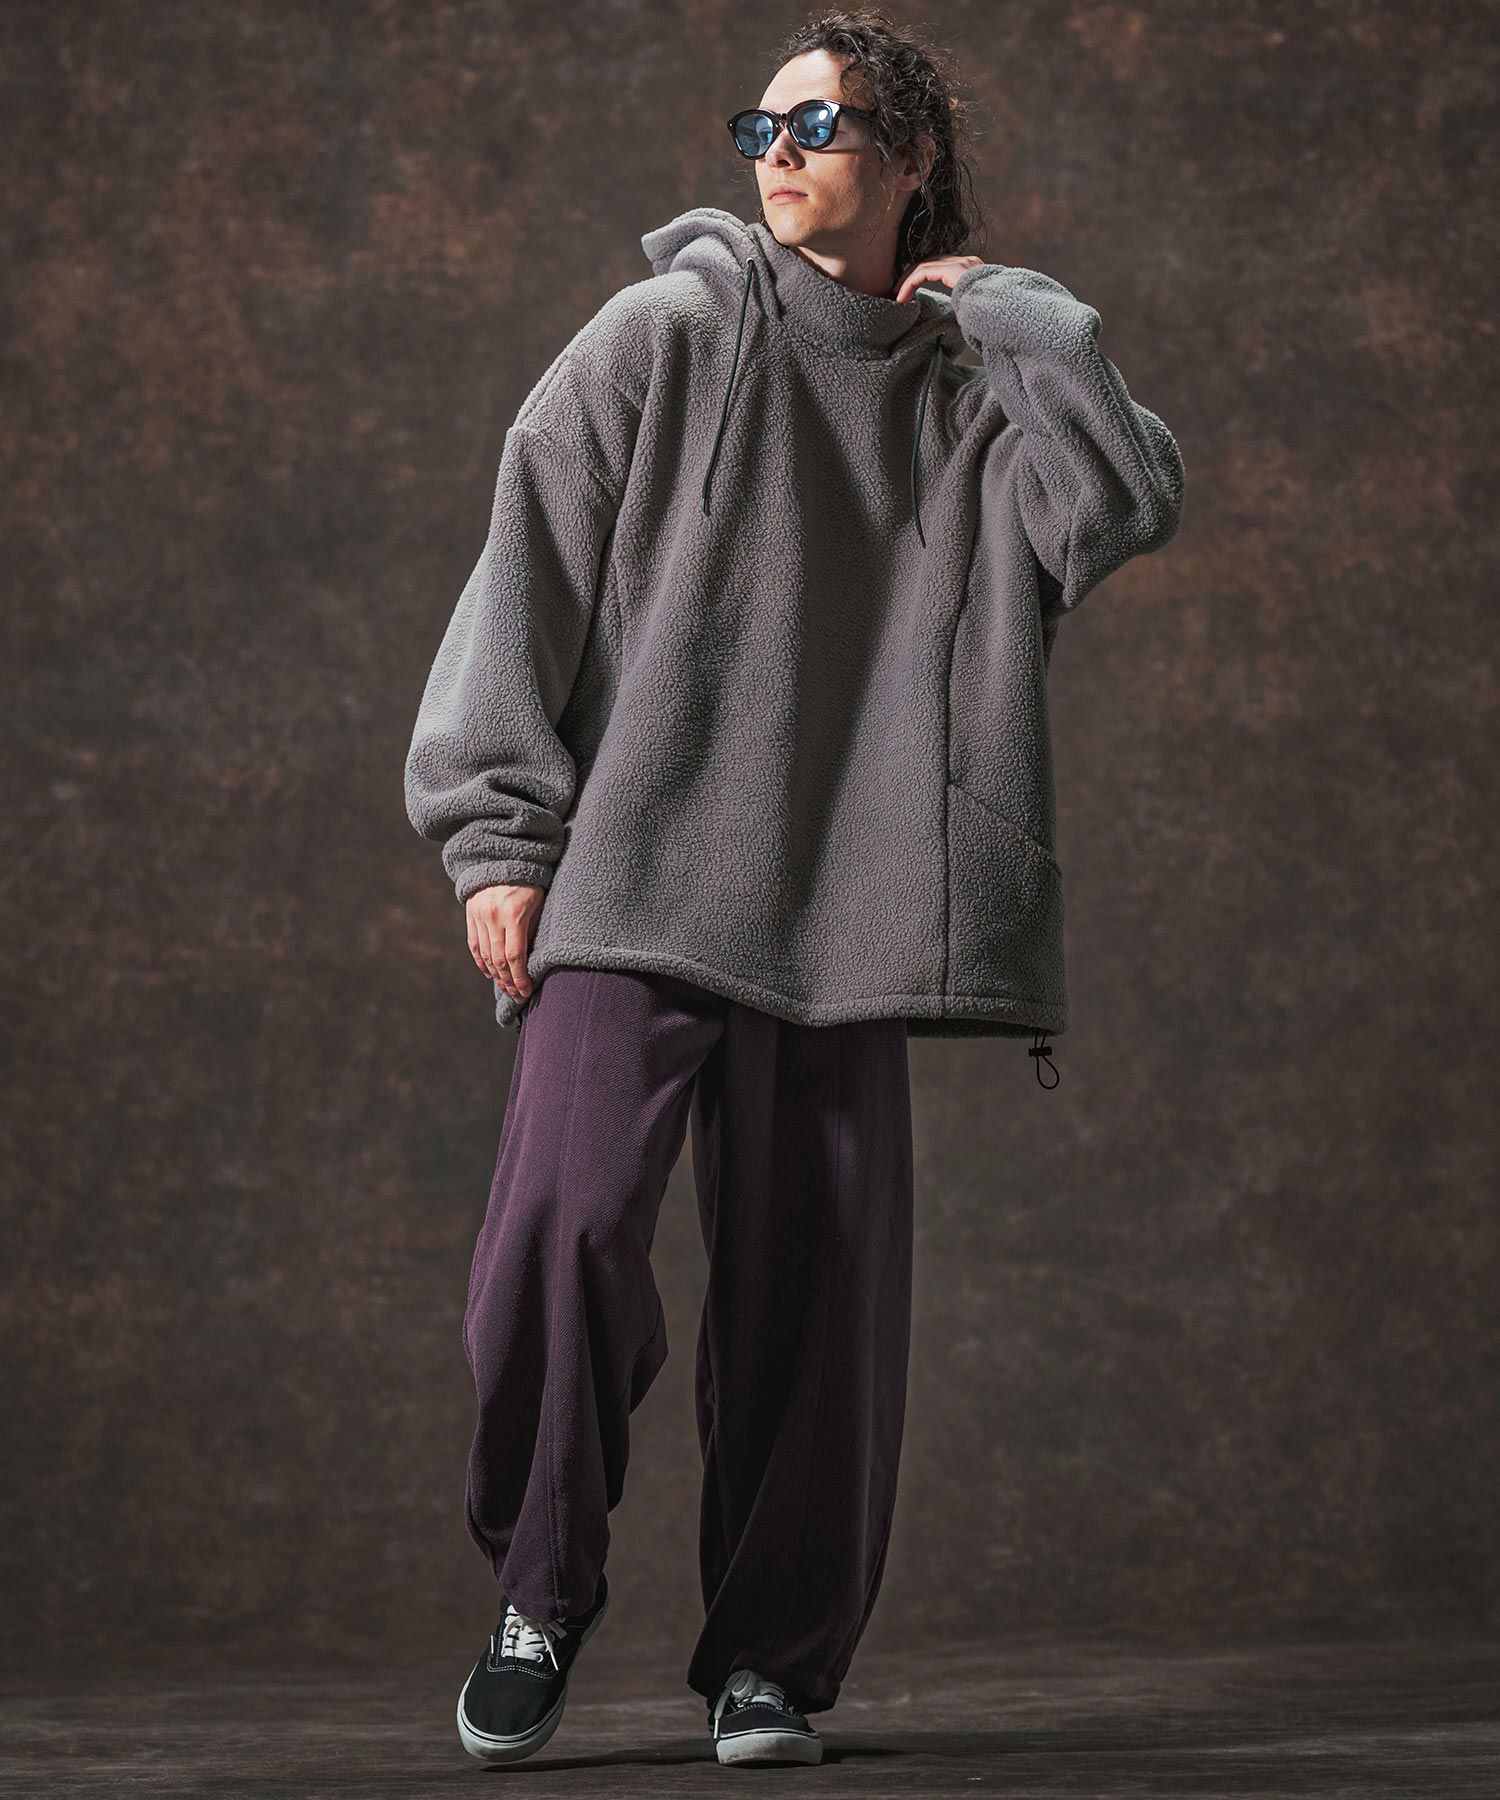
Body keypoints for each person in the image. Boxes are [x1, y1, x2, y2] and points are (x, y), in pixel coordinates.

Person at [403, 11, 1185, 1771]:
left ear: (910, 160)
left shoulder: (976, 394)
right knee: (559, 1235)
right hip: (638, 877)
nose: (777, 153)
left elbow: (1123, 502)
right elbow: (523, 570)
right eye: (760, 125)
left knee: (818, 1305)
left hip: (850, 906)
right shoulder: (663, 334)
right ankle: (539, 1587)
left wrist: (1023, 314)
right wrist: (498, 839)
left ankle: (770, 1663)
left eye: (819, 125)